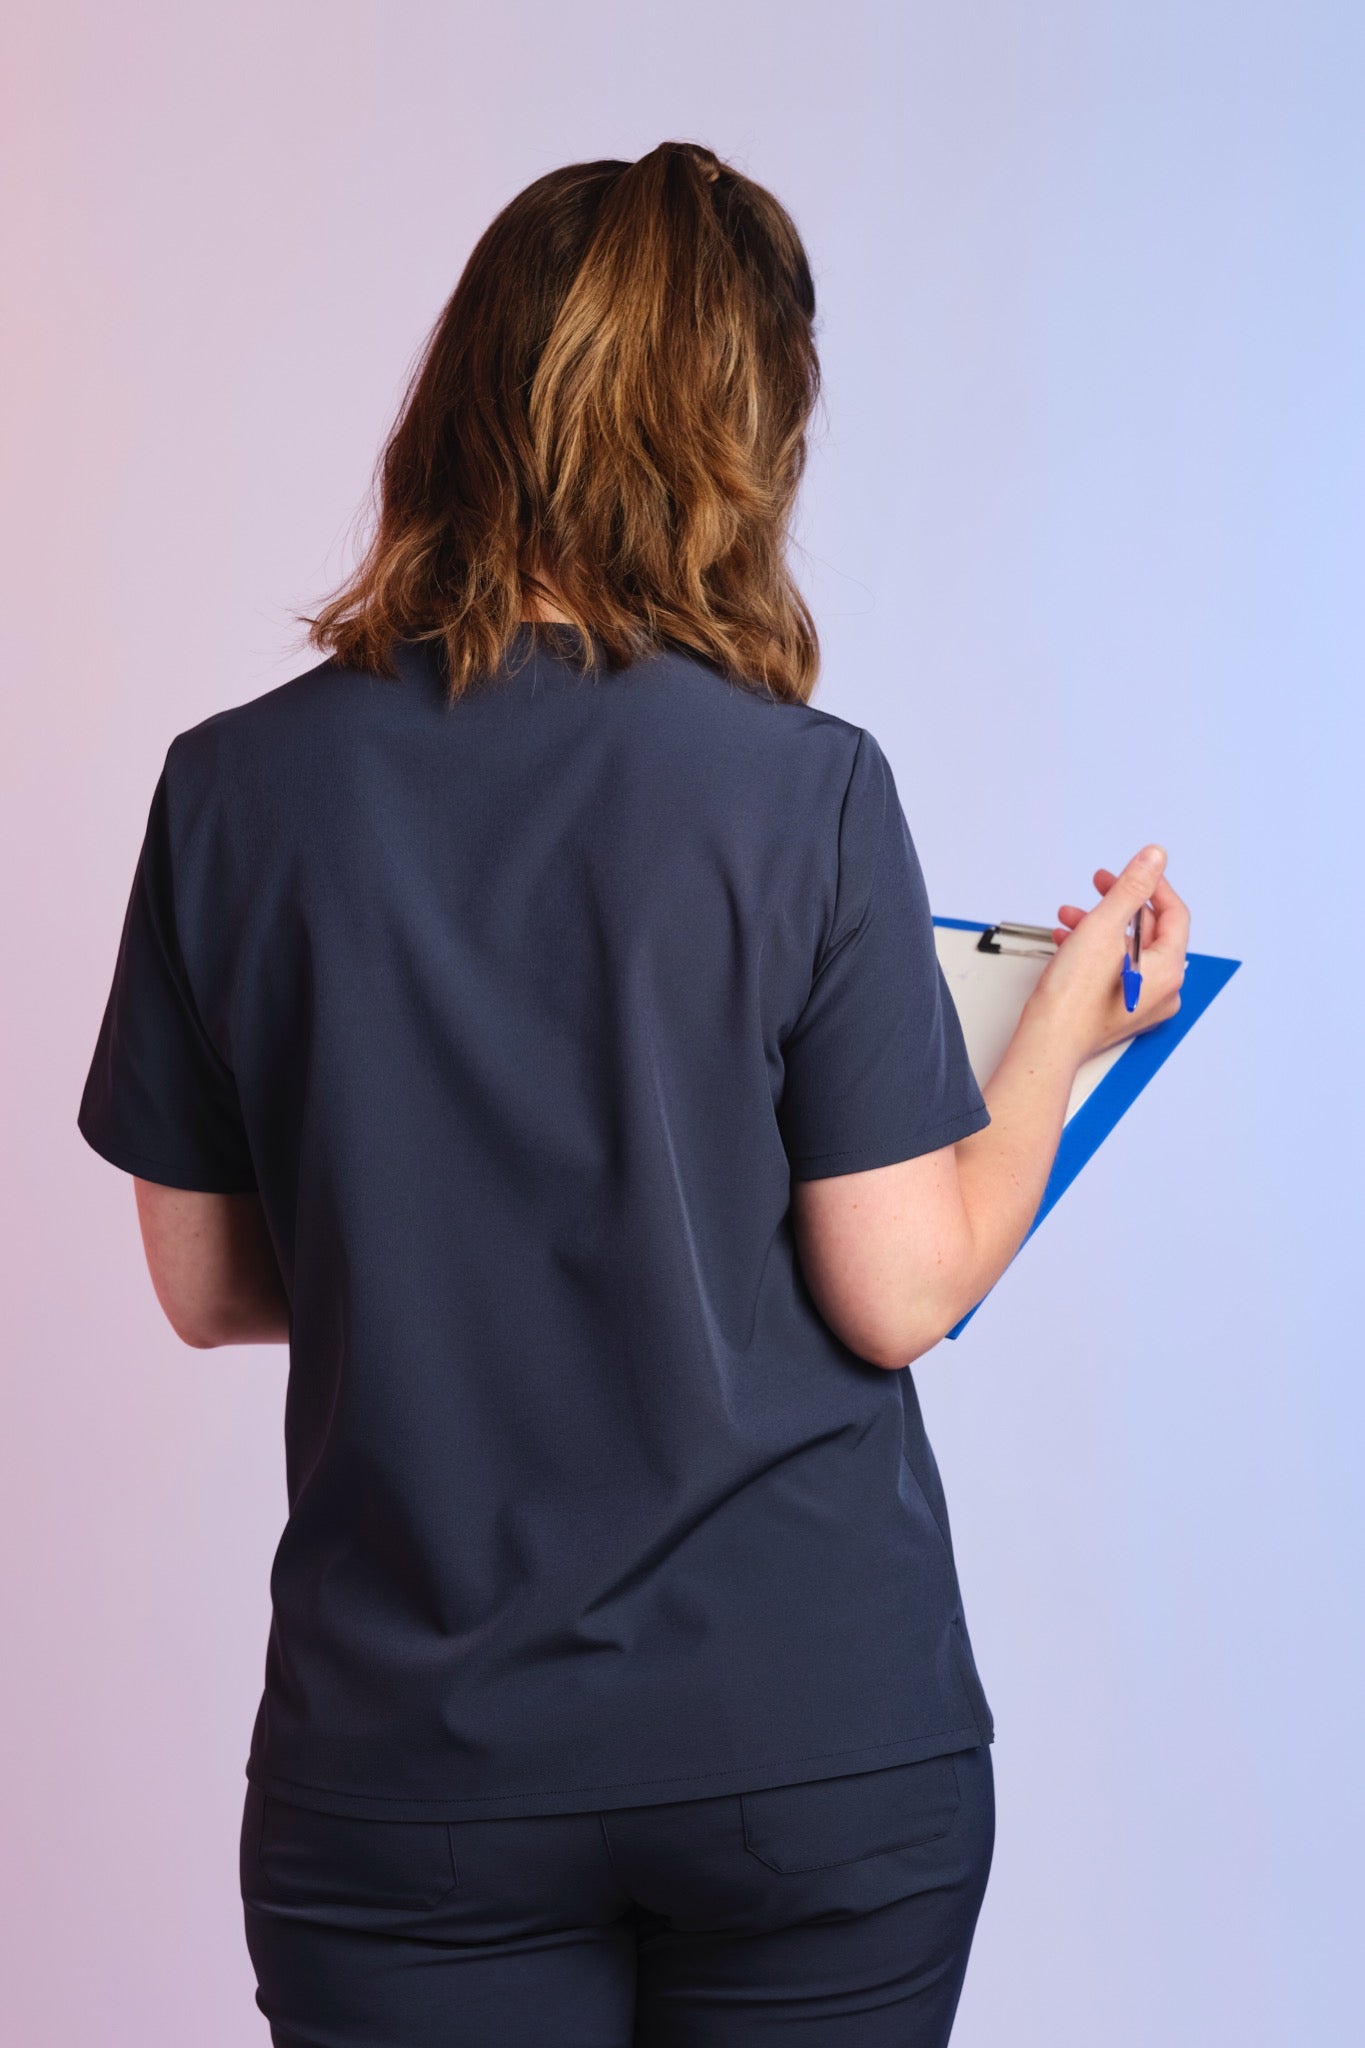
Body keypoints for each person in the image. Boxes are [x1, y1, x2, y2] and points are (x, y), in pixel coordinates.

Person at [76, 140, 1189, 2047]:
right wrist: (1059, 1037)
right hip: (804, 1745)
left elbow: (209, 1283)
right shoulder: (803, 789)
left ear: (464, 396)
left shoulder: (228, 792)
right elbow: (896, 1288)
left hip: (410, 1770)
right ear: (738, 442)